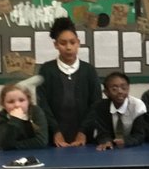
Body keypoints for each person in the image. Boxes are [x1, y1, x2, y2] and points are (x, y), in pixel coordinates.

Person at [36, 16, 101, 148]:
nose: (68, 47)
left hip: (84, 139)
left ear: (78, 42)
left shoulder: (89, 71)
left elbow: (96, 104)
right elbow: (43, 105)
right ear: (56, 45)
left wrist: (83, 132)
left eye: (72, 42)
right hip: (53, 139)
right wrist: (56, 131)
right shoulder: (46, 70)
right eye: (63, 43)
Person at [92, 71, 147, 150]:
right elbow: (102, 132)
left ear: (128, 88)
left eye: (124, 88)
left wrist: (126, 142)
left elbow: (139, 135)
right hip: (111, 150)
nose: (120, 92)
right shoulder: (101, 107)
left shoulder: (137, 106)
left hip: (132, 149)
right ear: (106, 92)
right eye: (114, 89)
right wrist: (106, 141)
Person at [0, 84, 49, 150]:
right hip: (9, 156)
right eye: (11, 102)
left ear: (28, 101)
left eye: (21, 100)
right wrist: (15, 119)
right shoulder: (2, 116)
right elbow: (4, 143)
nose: (17, 105)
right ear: (3, 104)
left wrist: (12, 145)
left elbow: (41, 141)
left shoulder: (36, 111)